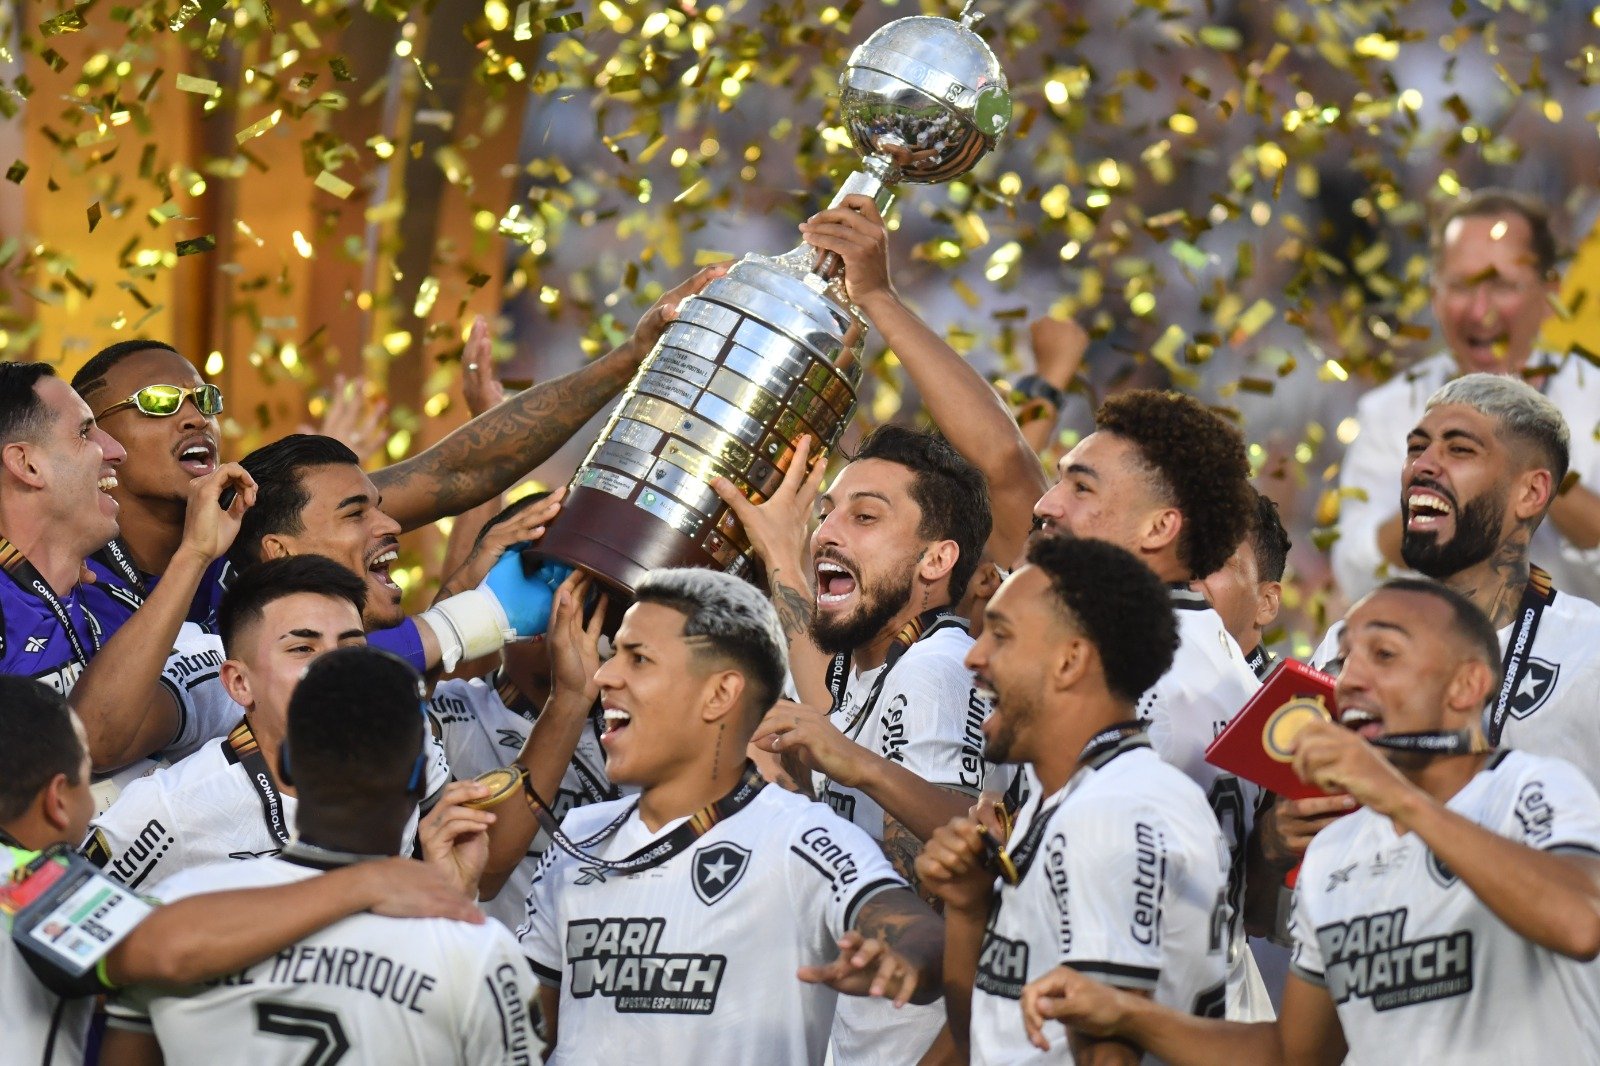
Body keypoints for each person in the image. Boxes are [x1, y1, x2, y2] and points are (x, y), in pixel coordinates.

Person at [1022, 580, 1600, 1064]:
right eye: (1346, 657)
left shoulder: (1532, 787)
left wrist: (1400, 798)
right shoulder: (1334, 853)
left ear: (1468, 685)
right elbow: (1292, 1054)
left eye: (1386, 655)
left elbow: (1581, 922)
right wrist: (1129, 1013)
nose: (1350, 678)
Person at [67, 266, 725, 619]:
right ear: (93, 437)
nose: (193, 416)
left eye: (203, 399)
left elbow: (461, 470)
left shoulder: (252, 518)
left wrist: (629, 359)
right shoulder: (58, 574)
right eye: (157, 404)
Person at [517, 567, 944, 1065]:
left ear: (720, 694)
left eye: (639, 659)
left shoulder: (801, 836)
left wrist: (908, 959)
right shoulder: (579, 837)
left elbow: (918, 934)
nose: (605, 675)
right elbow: (523, 1037)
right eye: (617, 656)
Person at [0, 675, 483, 1066]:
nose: (95, 808)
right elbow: (167, 948)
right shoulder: (18, 882)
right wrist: (368, 879)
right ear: (58, 801)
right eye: (90, 780)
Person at [100, 646, 539, 1064]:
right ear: (420, 777)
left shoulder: (179, 907)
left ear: (288, 762)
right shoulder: (478, 950)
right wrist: (451, 912)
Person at [718, 425, 993, 1065]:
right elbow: (822, 708)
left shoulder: (938, 669)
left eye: (865, 516)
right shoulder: (877, 668)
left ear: (936, 560)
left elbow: (976, 852)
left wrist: (857, 767)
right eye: (828, 511)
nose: (830, 531)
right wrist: (780, 549)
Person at [916, 536, 1230, 1064]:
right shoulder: (1071, 795)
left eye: (1001, 636)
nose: (974, 655)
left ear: (1069, 661)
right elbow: (989, 1043)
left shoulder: (1115, 812)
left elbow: (1107, 1056)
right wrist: (969, 910)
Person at [1028, 388, 1269, 1020]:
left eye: (1081, 489)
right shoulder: (1179, 651)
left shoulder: (1156, 683)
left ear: (1159, 527)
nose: (1045, 505)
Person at [82, 556, 445, 886]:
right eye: (303, 649)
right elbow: (59, 932)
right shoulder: (169, 809)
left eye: (351, 647)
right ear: (240, 683)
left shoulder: (406, 754)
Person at [1332, 188, 1600, 603]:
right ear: (1435, 296)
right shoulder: (1392, 409)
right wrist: (1440, 487)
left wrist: (1525, 451)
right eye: (1460, 285)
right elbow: (1356, 572)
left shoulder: (1593, 398)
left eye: (1502, 286)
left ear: (1550, 293)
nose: (1480, 311)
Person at [0, 361, 253, 782]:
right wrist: (194, 553)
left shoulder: (110, 601)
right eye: (85, 432)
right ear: (27, 465)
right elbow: (90, 743)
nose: (114, 450)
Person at [425, 493, 618, 928]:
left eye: (577, 581)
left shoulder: (647, 726)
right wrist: (470, 584)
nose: (555, 598)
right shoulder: (449, 711)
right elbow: (485, 874)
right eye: (530, 574)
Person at [230, 433, 566, 676]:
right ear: (280, 551)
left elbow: (418, 678)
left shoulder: (392, 688)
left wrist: (472, 574)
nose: (391, 524)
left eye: (377, 508)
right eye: (354, 513)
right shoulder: (232, 672)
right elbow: (331, 687)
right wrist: (486, 612)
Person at [1198, 487, 1291, 679]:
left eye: (1214, 561)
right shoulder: (1128, 695)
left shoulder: (1296, 706)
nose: (1187, 576)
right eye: (1178, 560)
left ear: (1266, 602)